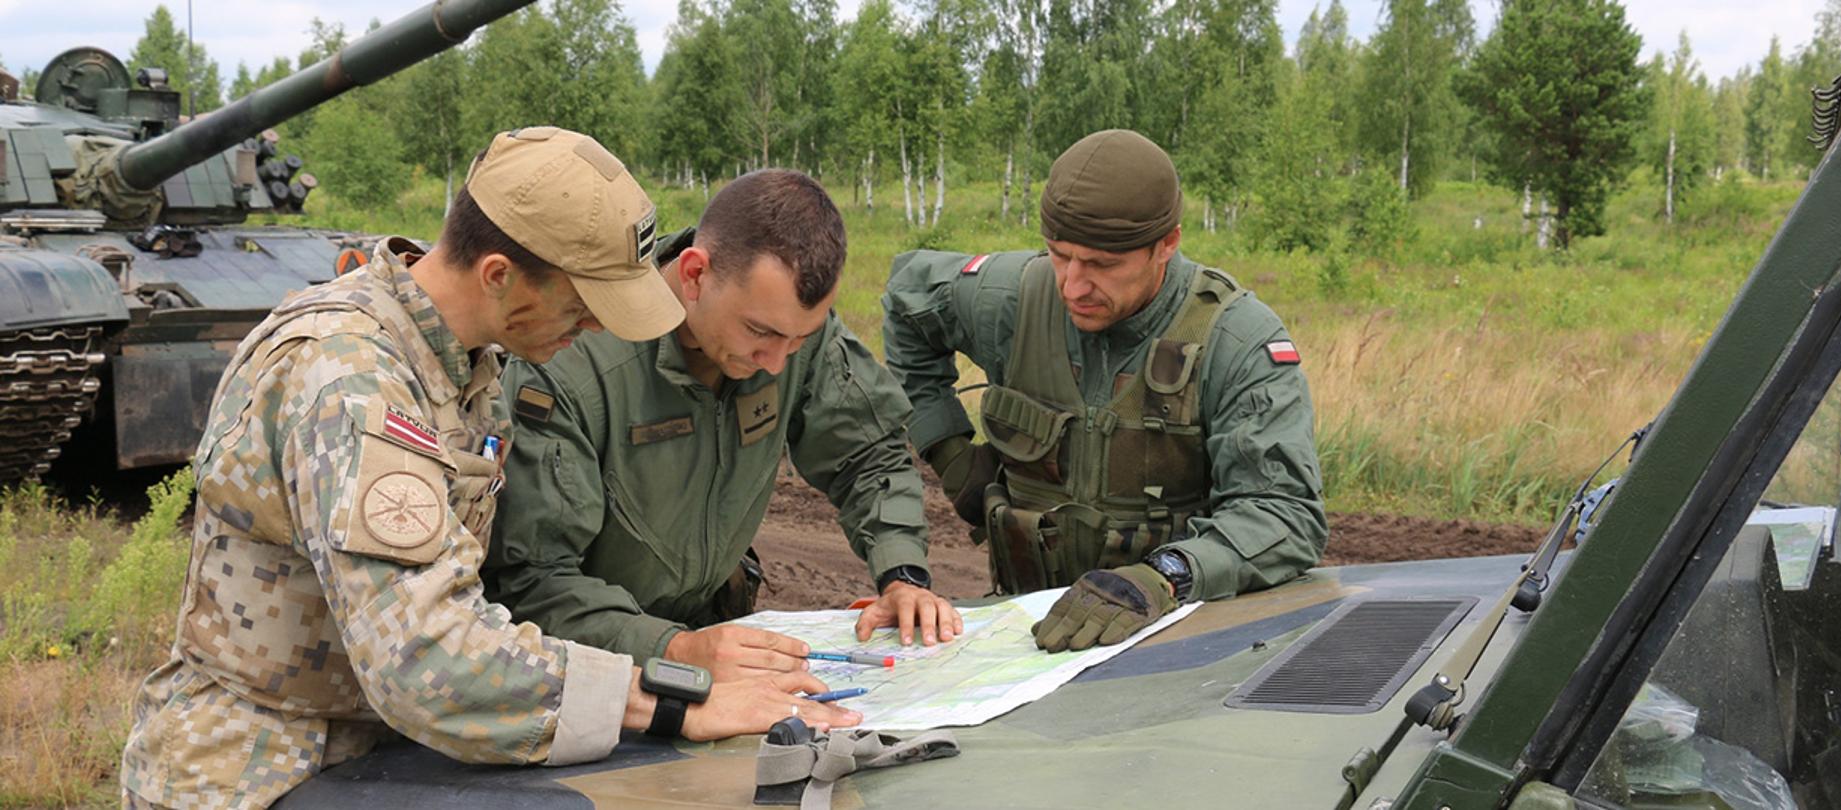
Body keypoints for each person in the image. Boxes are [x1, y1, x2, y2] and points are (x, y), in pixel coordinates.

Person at [121, 128, 857, 810]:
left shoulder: (463, 368)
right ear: (500, 274)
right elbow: (427, 657)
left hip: (389, 750)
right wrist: (673, 700)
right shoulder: (351, 378)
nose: (598, 327)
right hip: (265, 766)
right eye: (585, 302)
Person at [484, 168, 960, 683]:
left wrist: (902, 575)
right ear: (694, 275)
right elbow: (535, 583)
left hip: (714, 636)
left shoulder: (790, 329)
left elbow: (868, 454)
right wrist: (678, 649)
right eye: (760, 331)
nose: (777, 363)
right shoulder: (572, 363)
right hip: (595, 665)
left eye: (799, 340)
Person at [881, 129, 1328, 653]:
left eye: (1102, 265)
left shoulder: (1234, 342)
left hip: (1177, 645)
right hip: (1026, 641)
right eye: (1059, 254)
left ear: (1167, 244)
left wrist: (1166, 576)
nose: (1072, 285)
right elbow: (906, 298)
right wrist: (953, 456)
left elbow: (1285, 514)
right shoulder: (1011, 299)